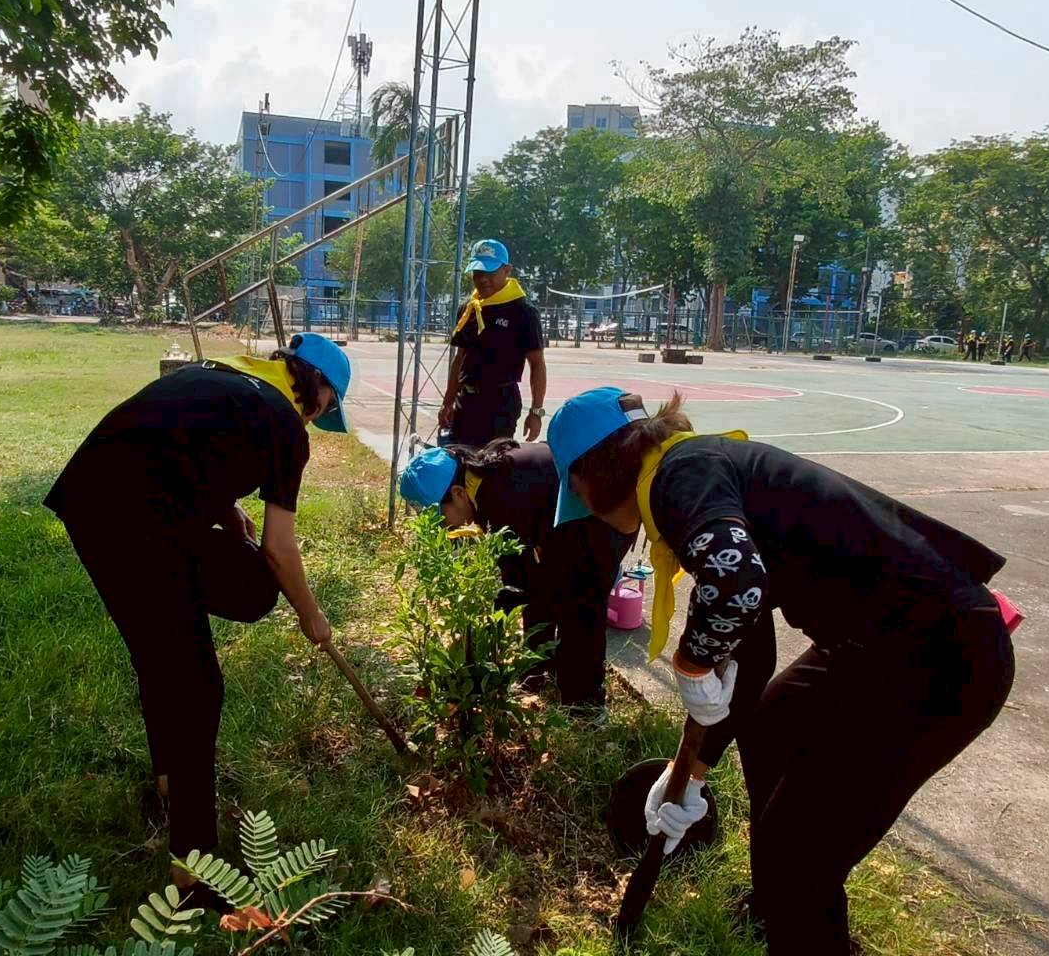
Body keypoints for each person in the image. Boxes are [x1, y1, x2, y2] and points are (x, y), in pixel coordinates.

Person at [546, 387, 1016, 955]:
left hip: (939, 659)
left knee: (798, 854)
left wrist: (691, 661)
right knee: (772, 726)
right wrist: (691, 771)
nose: (585, 508)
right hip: (885, 642)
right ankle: (778, 908)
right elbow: (751, 654)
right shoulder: (696, 472)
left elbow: (735, 584)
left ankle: (796, 897)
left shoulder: (679, 476)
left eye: (577, 491)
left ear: (595, 472)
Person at [44, 333, 351, 904]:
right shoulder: (285, 425)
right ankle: (194, 873)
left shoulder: (221, 374)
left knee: (159, 654)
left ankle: (169, 780)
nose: (319, 417)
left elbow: (174, 443)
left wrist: (226, 508)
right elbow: (279, 549)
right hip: (143, 527)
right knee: (197, 687)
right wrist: (313, 616)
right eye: (328, 406)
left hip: (86, 505)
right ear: (319, 389)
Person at [398, 441, 634, 707]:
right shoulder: (483, 479)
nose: (445, 528)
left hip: (605, 517)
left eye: (441, 519)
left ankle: (584, 705)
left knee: (579, 607)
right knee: (541, 585)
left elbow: (514, 582)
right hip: (567, 521)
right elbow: (524, 578)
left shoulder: (499, 495)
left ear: (458, 493)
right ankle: (538, 671)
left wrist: (478, 642)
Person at [439, 239, 547, 447]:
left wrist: (536, 412)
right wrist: (448, 401)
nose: (482, 279)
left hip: (500, 404)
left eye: (489, 272)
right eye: (477, 272)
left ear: (507, 270)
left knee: (493, 463)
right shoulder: (469, 309)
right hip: (466, 401)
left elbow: (537, 363)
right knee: (459, 460)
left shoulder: (523, 313)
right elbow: (460, 358)